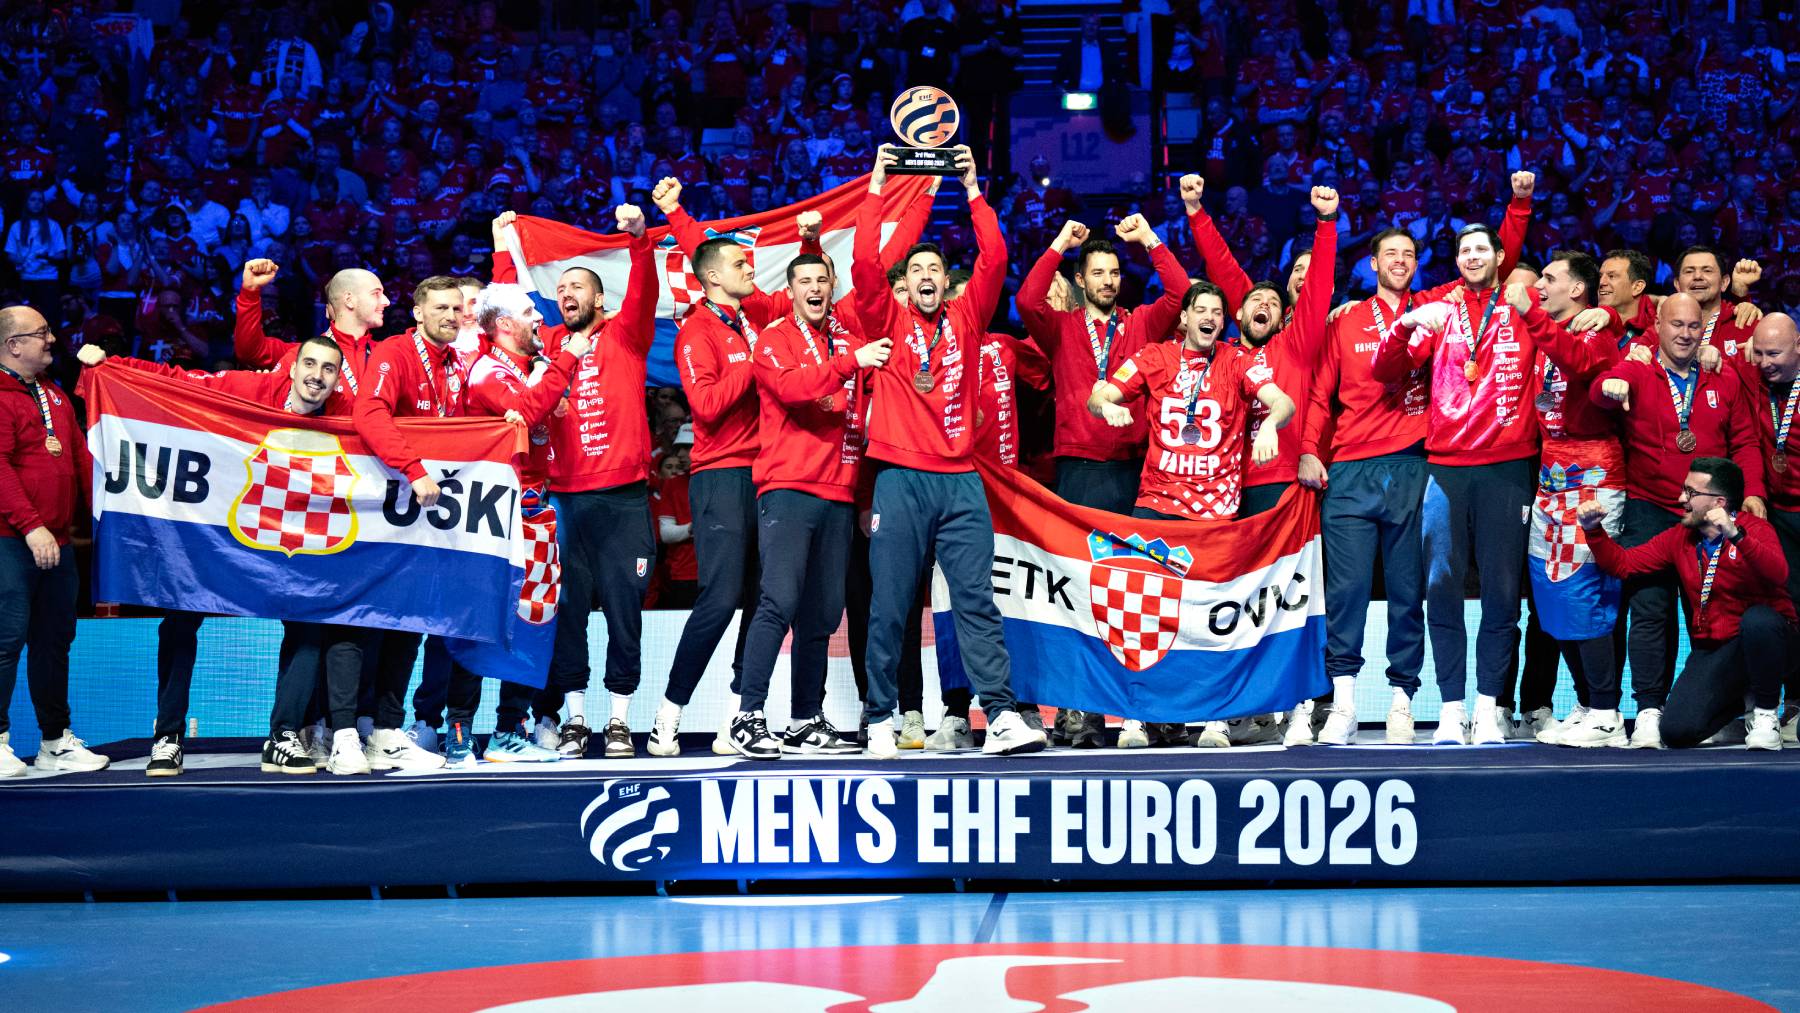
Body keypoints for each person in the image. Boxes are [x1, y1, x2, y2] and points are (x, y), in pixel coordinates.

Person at [75, 335, 358, 776]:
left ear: (338, 378)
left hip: (291, 537)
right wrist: (112, 363)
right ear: (292, 366)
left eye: (327, 369)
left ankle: (282, 735)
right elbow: (177, 382)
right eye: (309, 364)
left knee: (311, 622)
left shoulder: (343, 416)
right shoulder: (250, 390)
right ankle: (167, 735)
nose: (316, 377)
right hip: (220, 531)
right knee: (180, 616)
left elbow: (391, 435)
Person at [851, 143, 1047, 758]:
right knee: (890, 605)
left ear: (945, 281)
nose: (929, 278)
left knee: (976, 601)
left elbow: (996, 255)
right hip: (900, 479)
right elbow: (861, 261)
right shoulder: (884, 319)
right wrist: (879, 183)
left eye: (937, 270)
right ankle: (881, 715)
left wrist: (972, 187)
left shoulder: (966, 320)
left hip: (961, 479)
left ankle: (1002, 714)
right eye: (918, 273)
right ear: (904, 286)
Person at [1088, 281, 1295, 747]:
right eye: (1200, 309)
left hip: (1215, 514)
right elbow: (1097, 396)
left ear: (1225, 322)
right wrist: (1109, 408)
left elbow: (1282, 400)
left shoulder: (1239, 361)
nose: (1209, 317)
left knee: (1213, 619)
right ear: (1184, 318)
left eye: (1217, 312)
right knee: (1139, 616)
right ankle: (1137, 716)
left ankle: (1215, 718)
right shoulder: (1153, 357)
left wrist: (1272, 428)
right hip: (1157, 504)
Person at [1371, 172, 1538, 745]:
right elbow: (1386, 372)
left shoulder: (1521, 304)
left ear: (1498, 257)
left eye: (1482, 249)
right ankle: (1448, 707)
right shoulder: (1438, 306)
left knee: (1500, 588)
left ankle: (1489, 705)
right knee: (1440, 586)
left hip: (1508, 467)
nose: (1472, 256)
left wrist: (1517, 205)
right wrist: (1407, 325)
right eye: (1463, 250)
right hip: (1445, 467)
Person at [1015, 207, 1189, 748]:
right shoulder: (1062, 327)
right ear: (1081, 280)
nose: (1109, 281)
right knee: (1084, 594)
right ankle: (1084, 714)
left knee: (1141, 591)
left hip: (1135, 471)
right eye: (1098, 273)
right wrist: (1059, 244)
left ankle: (1149, 710)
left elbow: (1182, 293)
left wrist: (1150, 241)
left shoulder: (1139, 323)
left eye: (1115, 273)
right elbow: (1025, 300)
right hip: (1077, 472)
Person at [491, 210, 658, 760]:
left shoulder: (627, 333)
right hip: (563, 497)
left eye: (577, 286)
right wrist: (501, 248)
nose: (565, 293)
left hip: (624, 498)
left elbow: (645, 280)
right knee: (567, 612)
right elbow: (502, 310)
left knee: (623, 610)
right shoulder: (548, 348)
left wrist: (638, 236)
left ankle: (619, 719)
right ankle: (576, 718)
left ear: (600, 299)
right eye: (559, 288)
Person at [726, 253, 892, 758]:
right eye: (804, 281)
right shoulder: (774, 339)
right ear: (791, 290)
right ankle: (747, 716)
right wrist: (848, 364)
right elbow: (793, 389)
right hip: (789, 488)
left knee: (822, 613)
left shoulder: (849, 340)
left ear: (832, 285)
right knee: (777, 601)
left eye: (823, 280)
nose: (814, 288)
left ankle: (803, 719)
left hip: (839, 493)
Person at [1591, 293, 1767, 748]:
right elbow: (1603, 389)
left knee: (1714, 609)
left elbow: (1745, 440)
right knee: (1649, 608)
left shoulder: (1719, 374)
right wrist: (1609, 387)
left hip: (1710, 511)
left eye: (1693, 326)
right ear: (1658, 327)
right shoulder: (1639, 365)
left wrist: (1751, 494)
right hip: (1651, 503)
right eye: (1676, 325)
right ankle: (1648, 708)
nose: (1685, 334)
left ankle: (1731, 708)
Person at [458, 266, 597, 761]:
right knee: (481, 619)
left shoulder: (522, 371)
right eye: (528, 311)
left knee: (534, 620)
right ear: (504, 327)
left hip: (534, 511)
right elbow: (528, 410)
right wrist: (563, 365)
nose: (541, 316)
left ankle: (508, 730)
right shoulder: (488, 372)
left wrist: (547, 385)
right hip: (497, 519)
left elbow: (536, 412)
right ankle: (456, 736)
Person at [1299, 228, 1431, 746]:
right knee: (1346, 593)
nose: (1400, 261)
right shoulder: (1347, 319)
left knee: (1406, 593)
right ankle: (1345, 703)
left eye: (1409, 254)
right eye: (1390, 254)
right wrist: (1310, 447)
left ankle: (1402, 700)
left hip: (1414, 464)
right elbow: (1318, 392)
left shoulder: (1435, 313)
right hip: (1351, 467)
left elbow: (1489, 277)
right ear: (1373, 265)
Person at [349, 276, 480, 771]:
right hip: (389, 506)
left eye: (457, 308)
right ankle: (361, 725)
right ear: (418, 312)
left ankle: (384, 727)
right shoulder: (394, 353)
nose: (451, 315)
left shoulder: (455, 365)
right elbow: (370, 411)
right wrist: (415, 469)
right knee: (379, 624)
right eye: (440, 307)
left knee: (409, 623)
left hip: (421, 518)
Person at [1501, 255, 1628, 747]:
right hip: (1551, 475)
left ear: (1578, 289)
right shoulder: (1549, 328)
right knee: (1553, 598)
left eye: (1549, 281)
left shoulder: (1595, 333)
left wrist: (1610, 316)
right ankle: (1585, 703)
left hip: (1595, 475)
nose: (1539, 288)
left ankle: (1608, 712)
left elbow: (1575, 362)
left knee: (1584, 594)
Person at [1580, 458, 1794, 750]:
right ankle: (1734, 715)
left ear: (1719, 501)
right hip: (1719, 649)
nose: (1682, 499)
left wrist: (1736, 535)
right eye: (1684, 490)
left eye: (1691, 493)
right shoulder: (1680, 538)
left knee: (1760, 621)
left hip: (1774, 643)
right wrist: (1593, 530)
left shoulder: (1754, 529)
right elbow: (1625, 564)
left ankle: (1766, 714)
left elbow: (1778, 573)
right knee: (1677, 731)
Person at [656, 217, 767, 756]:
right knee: (720, 598)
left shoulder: (747, 322)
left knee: (759, 600)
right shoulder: (697, 330)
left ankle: (735, 720)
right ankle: (667, 716)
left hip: (765, 475)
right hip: (721, 473)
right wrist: (756, 361)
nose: (751, 268)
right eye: (741, 265)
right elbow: (706, 405)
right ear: (713, 278)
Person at [0, 305, 109, 777]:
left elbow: (82, 462)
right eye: (39, 333)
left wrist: (108, 521)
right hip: (10, 540)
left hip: (57, 542)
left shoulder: (56, 396)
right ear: (12, 345)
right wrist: (31, 525)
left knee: (54, 642)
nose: (51, 339)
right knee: (5, 641)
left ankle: (54, 743)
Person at [1746, 313, 1800, 740]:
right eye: (1758, 352)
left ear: (1798, 346)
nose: (1765, 362)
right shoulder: (1753, 380)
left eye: (1775, 353)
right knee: (1790, 612)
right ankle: (1794, 704)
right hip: (1777, 515)